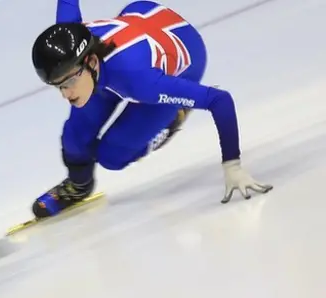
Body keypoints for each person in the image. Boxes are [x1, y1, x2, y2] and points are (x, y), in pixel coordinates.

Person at [29, 0, 273, 218]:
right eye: (57, 86)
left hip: (183, 57)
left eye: (69, 83)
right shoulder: (67, 36)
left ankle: (174, 114)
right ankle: (78, 186)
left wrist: (232, 165)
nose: (65, 94)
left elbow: (219, 100)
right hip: (141, 17)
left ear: (91, 61)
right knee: (74, 137)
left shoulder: (141, 82)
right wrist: (71, 80)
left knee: (112, 156)